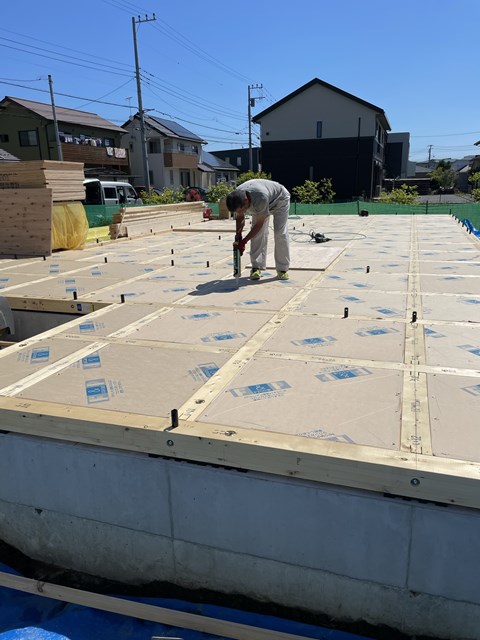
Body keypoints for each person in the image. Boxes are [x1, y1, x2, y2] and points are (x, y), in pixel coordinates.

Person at [226, 179, 290, 280]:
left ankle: (282, 269)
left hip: (279, 200)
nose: (242, 212)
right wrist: (238, 235)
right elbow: (240, 217)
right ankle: (256, 267)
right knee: (258, 235)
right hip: (260, 201)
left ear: (246, 201)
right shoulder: (237, 197)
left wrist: (244, 241)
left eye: (242, 210)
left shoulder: (260, 197)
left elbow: (259, 224)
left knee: (280, 233)